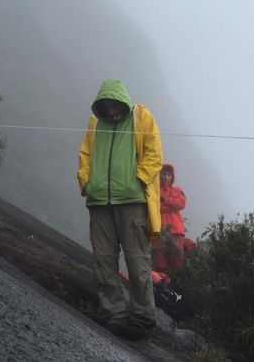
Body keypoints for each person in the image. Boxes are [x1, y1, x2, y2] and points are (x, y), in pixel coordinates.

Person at [77, 78, 163, 340]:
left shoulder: (141, 117)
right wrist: (87, 184)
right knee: (103, 259)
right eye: (106, 107)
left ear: (122, 103)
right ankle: (114, 314)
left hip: (132, 202)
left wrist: (136, 180)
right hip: (99, 202)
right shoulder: (95, 124)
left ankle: (142, 317)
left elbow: (154, 154)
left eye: (114, 106)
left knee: (137, 260)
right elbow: (85, 157)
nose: (111, 111)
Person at [154, 163, 188, 273]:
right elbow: (155, 206)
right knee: (160, 263)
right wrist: (171, 205)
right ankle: (162, 287)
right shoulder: (154, 190)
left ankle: (177, 287)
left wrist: (164, 200)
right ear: (160, 175)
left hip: (176, 232)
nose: (166, 177)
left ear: (172, 177)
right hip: (160, 231)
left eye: (169, 175)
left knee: (177, 263)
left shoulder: (177, 190)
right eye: (164, 174)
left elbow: (181, 204)